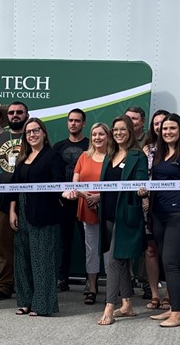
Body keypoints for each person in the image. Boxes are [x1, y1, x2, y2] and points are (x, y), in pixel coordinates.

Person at [148, 113, 180, 327]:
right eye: (165, 129)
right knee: (165, 262)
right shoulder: (160, 154)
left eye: (172, 128)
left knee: (171, 262)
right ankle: (171, 309)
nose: (168, 132)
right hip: (159, 214)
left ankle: (177, 313)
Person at [97, 116, 149, 326]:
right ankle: (126, 304)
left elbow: (141, 182)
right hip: (107, 215)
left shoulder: (138, 156)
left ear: (130, 131)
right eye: (115, 129)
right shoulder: (109, 155)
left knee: (113, 262)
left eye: (123, 129)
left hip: (126, 216)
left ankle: (109, 307)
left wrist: (142, 189)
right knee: (121, 260)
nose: (118, 133)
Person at [9, 118, 62, 317]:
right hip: (21, 213)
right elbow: (14, 187)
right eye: (28, 132)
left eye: (35, 131)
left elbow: (58, 185)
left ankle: (43, 304)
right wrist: (13, 210)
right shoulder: (22, 159)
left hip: (44, 214)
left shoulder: (53, 156)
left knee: (42, 261)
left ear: (44, 133)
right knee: (22, 261)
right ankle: (25, 302)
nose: (32, 135)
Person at [63, 122, 110, 305]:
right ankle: (92, 287)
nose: (98, 138)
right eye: (95, 134)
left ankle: (112, 289)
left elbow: (118, 184)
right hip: (87, 207)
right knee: (91, 250)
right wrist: (87, 196)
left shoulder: (113, 157)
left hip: (108, 209)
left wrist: (99, 197)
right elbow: (75, 182)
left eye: (101, 134)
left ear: (108, 136)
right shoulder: (84, 156)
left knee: (108, 252)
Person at [0, 101, 30, 301]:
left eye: (19, 112)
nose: (15, 115)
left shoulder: (33, 136)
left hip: (29, 202)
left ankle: (28, 286)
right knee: (4, 246)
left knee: (29, 247)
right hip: (1, 203)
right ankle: (5, 285)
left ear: (26, 115)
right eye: (12, 112)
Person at [52, 108, 90, 292]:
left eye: (77, 120)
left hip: (86, 202)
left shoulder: (91, 146)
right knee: (62, 243)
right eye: (71, 120)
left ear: (84, 123)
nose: (73, 123)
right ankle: (61, 279)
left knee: (88, 243)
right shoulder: (58, 147)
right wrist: (59, 196)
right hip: (63, 203)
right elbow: (53, 175)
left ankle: (91, 280)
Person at [140, 109, 170, 308]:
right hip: (149, 207)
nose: (160, 127)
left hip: (171, 208)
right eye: (156, 123)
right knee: (151, 250)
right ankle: (154, 294)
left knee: (169, 252)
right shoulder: (146, 149)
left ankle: (169, 293)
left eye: (164, 123)